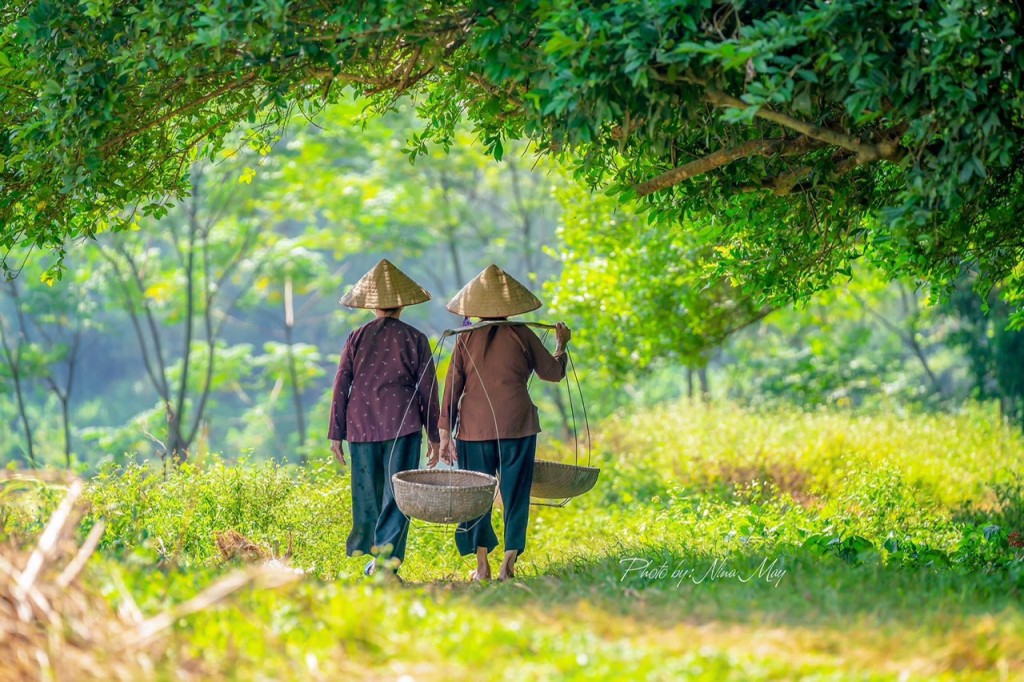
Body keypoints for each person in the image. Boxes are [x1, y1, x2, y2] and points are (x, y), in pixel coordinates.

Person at [438, 264, 572, 581]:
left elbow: (451, 388)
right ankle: (508, 565)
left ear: (478, 308)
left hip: (474, 428)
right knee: (516, 493)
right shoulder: (523, 333)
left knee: (477, 496)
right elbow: (552, 374)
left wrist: (445, 434)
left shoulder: (464, 339)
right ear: (509, 309)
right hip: (518, 425)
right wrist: (561, 346)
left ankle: (481, 566)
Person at [328, 259, 441, 580]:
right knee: (398, 493)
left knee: (368, 491)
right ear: (403, 304)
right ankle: (385, 563)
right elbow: (428, 387)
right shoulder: (415, 338)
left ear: (372, 306)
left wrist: (336, 433)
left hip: (360, 424)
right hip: (403, 424)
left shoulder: (357, 337)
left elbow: (341, 383)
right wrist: (435, 435)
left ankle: (379, 561)